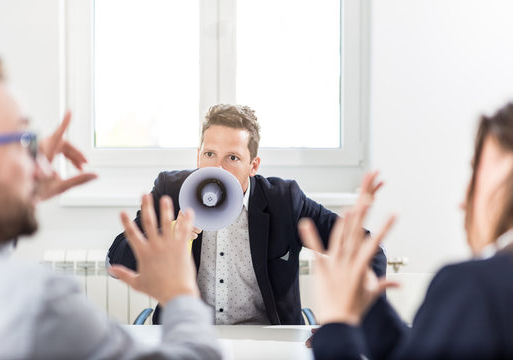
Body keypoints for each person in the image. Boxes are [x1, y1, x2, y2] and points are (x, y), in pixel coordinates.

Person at [0, 50, 221, 359]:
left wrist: (12, 188)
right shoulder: (38, 304)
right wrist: (181, 294)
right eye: (23, 141)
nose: (41, 168)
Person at [108, 104, 387, 325]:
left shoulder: (284, 201)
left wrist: (348, 321)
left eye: (232, 158)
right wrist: (171, 234)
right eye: (209, 154)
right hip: (188, 336)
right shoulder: (171, 192)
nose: (216, 168)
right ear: (197, 156)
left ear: (253, 165)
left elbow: (368, 253)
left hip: (266, 341)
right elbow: (115, 262)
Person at [299, 103, 513, 359]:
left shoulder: (475, 288)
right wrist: (369, 310)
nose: (463, 202)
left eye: (476, 173)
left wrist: (336, 323)